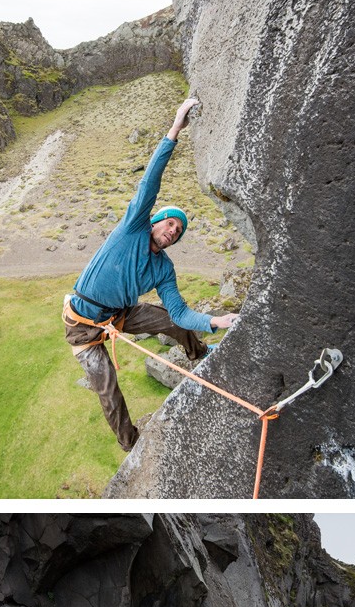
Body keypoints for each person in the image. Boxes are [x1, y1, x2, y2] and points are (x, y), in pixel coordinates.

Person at [63, 97, 239, 450]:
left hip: (120, 314)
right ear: (155, 222)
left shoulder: (164, 268)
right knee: (109, 392)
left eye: (178, 230)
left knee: (169, 321)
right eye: (169, 223)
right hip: (82, 326)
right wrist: (175, 127)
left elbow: (179, 312)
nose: (172, 230)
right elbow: (151, 182)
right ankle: (131, 446)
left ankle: (200, 356)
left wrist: (216, 321)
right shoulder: (132, 228)